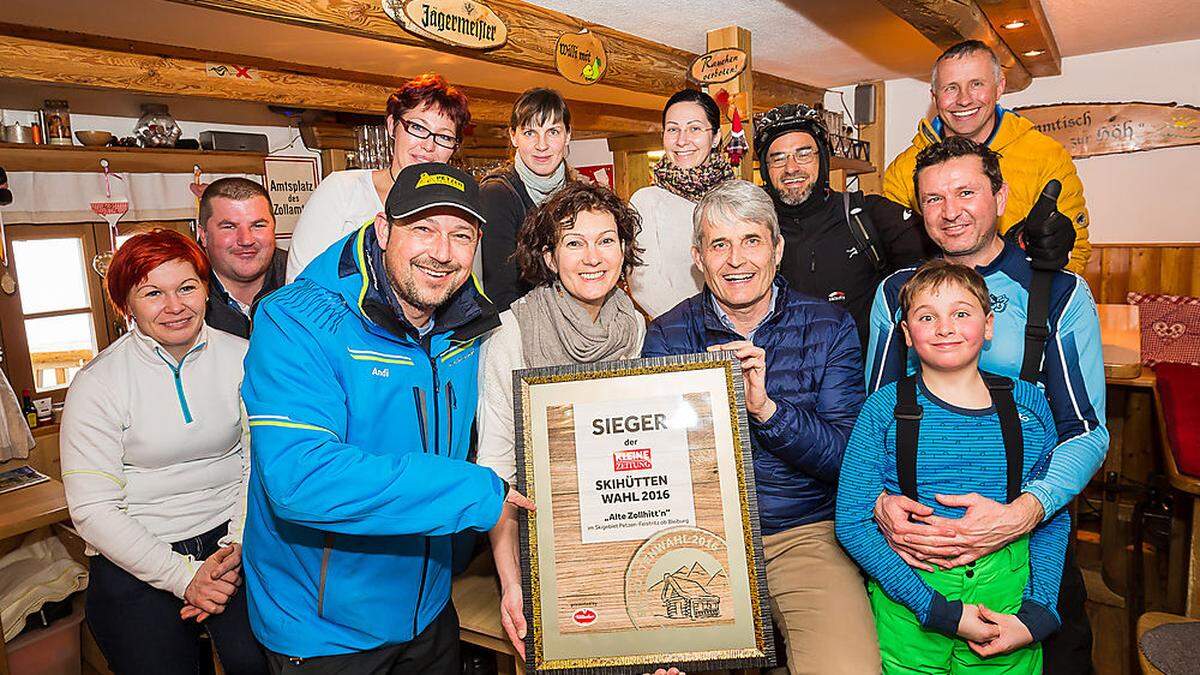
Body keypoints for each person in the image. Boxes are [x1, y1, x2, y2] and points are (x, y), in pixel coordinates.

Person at [240, 162, 534, 673]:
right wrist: (471, 491)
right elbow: (301, 479)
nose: (441, 253)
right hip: (324, 633)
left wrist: (511, 579)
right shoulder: (296, 320)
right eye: (422, 228)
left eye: (460, 235)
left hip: (429, 610)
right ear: (382, 229)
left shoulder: (468, 323)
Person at [866, 137, 1107, 673]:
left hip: (1031, 537)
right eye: (933, 199)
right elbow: (872, 412)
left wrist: (1022, 515)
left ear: (1001, 197)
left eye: (966, 192)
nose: (950, 212)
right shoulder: (896, 294)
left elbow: (1086, 430)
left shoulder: (1058, 293)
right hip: (918, 550)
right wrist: (880, 503)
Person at [642, 179, 880, 673]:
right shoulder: (667, 334)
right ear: (698, 257)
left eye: (751, 240)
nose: (736, 260)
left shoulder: (828, 326)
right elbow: (652, 463)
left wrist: (767, 411)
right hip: (695, 538)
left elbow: (845, 457)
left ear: (777, 248)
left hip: (803, 534)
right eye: (719, 244)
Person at [838, 260, 1069, 673]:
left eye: (961, 313)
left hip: (1007, 610)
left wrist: (1037, 615)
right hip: (909, 607)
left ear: (989, 325)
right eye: (927, 317)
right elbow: (852, 522)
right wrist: (936, 609)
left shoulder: (1030, 407)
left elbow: (1051, 514)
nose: (945, 327)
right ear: (907, 335)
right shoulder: (882, 410)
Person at [60, 229, 266, 675]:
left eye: (186, 288)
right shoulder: (97, 385)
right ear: (125, 304)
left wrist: (236, 543)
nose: (175, 307)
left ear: (206, 289)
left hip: (232, 542)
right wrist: (184, 578)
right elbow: (94, 510)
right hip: (136, 552)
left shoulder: (247, 358)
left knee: (258, 662)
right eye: (152, 293)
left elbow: (259, 460)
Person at [477, 181, 645, 656]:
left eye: (606, 240)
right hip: (545, 538)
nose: (592, 256)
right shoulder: (512, 332)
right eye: (574, 242)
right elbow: (497, 471)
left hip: (625, 521)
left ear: (623, 250)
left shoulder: (632, 326)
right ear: (550, 258)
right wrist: (511, 583)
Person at [882, 40, 1089, 274]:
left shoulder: (1045, 156)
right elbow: (893, 259)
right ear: (934, 96)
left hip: (1022, 300)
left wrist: (1044, 278)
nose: (964, 99)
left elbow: (1075, 252)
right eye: (951, 87)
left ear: (999, 87)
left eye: (976, 84)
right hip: (941, 300)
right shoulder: (903, 170)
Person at [754, 102, 931, 347]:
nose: (791, 167)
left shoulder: (868, 215)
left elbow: (944, 258)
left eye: (804, 154)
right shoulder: (753, 231)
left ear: (824, 160)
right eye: (778, 158)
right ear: (765, 169)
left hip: (860, 382)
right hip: (780, 380)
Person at [286, 73, 470, 281]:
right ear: (392, 126)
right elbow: (298, 285)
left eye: (444, 137)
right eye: (418, 127)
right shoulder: (342, 190)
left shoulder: (456, 211)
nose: (428, 145)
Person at [629, 89, 734, 318]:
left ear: (715, 137)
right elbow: (644, 284)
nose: (682, 140)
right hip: (678, 334)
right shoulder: (646, 201)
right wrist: (695, 327)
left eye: (694, 128)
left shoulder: (737, 198)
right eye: (673, 129)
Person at [479, 87, 580, 310]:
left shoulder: (578, 195)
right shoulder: (497, 194)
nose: (541, 145)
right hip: (523, 331)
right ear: (513, 136)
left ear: (568, 135)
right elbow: (501, 294)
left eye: (553, 132)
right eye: (529, 133)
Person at [197, 177, 287, 338]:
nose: (246, 240)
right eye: (229, 227)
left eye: (258, 225)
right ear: (203, 235)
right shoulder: (183, 293)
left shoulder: (303, 279)